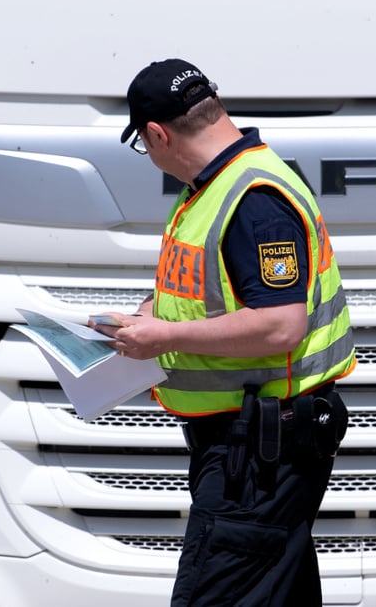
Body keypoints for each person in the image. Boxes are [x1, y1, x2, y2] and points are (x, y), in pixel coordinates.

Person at [92, 59, 357, 606]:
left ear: (157, 134)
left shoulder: (252, 198)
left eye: (144, 146)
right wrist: (150, 314)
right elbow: (215, 292)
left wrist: (163, 338)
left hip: (260, 453)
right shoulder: (218, 187)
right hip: (256, 444)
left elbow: (280, 325)